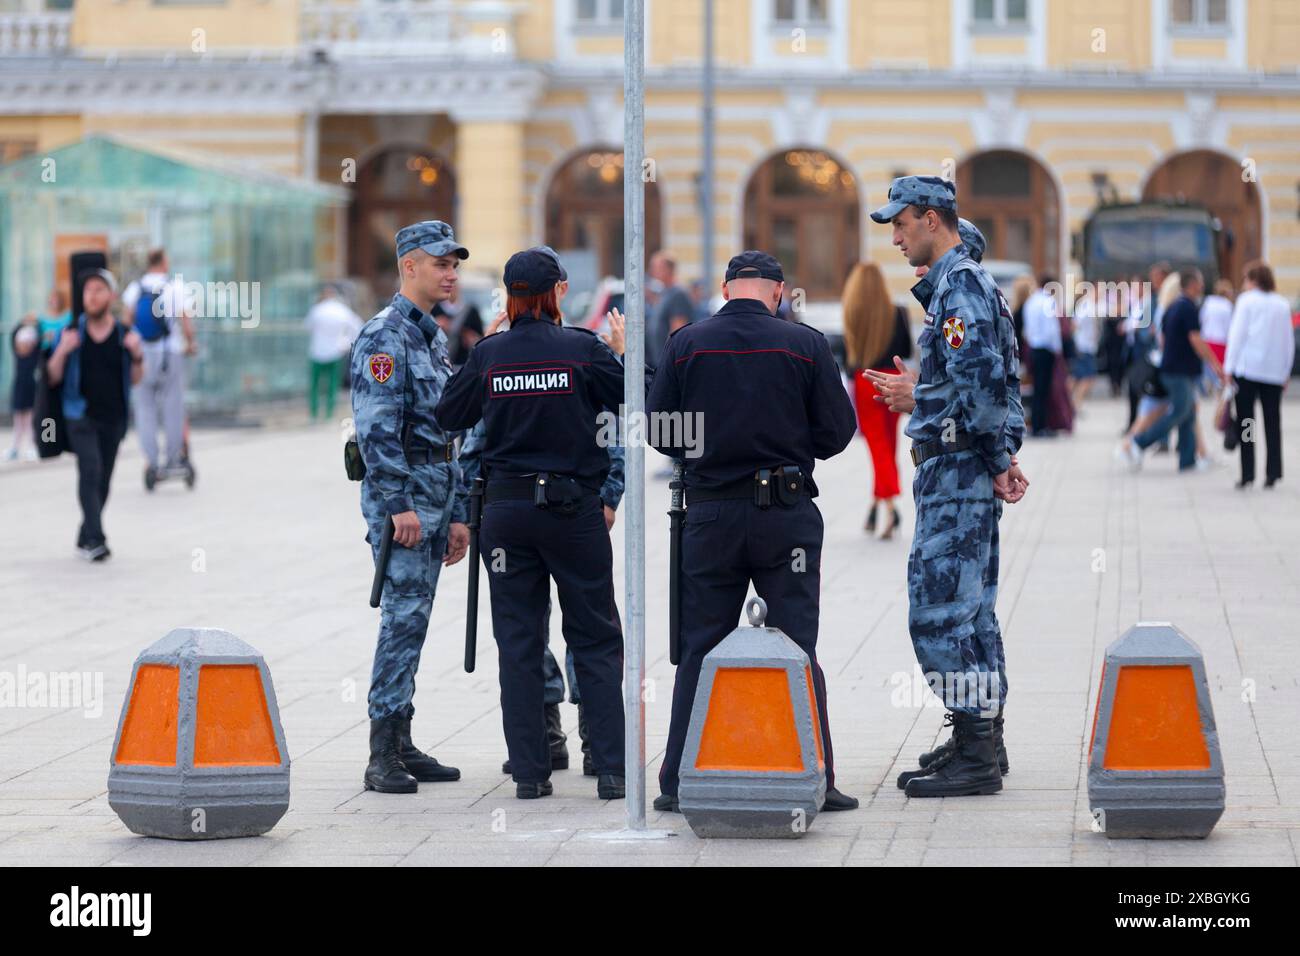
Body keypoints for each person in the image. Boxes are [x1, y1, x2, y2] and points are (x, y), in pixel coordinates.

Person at [646, 249, 859, 814]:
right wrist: (788, 446)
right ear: (779, 290)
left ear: (724, 287)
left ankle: (676, 780)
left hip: (710, 515)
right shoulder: (806, 343)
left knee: (699, 648)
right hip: (784, 515)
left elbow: (661, 429)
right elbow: (838, 431)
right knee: (798, 647)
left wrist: (709, 450)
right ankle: (819, 775)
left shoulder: (687, 343)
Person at [436, 248, 632, 801]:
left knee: (519, 642)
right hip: (574, 513)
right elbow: (634, 402)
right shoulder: (583, 350)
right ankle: (613, 770)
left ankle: (529, 773)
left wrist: (483, 349)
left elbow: (449, 415)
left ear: (510, 297)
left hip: (507, 515)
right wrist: (622, 353)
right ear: (557, 294)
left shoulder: (491, 355)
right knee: (594, 636)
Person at [869, 176, 1027, 798]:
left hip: (957, 470)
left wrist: (920, 397)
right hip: (965, 466)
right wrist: (998, 455)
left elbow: (983, 389)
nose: (897, 237)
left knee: (939, 615)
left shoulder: (960, 285)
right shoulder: (961, 284)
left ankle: (976, 753)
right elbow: (989, 385)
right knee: (974, 616)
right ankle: (981, 738)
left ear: (932, 219)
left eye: (901, 224)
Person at [350, 220, 471, 794]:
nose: (450, 274)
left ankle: (402, 739)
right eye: (441, 263)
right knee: (401, 619)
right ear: (409, 267)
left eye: (454, 265)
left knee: (415, 619)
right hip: (404, 500)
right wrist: (398, 502)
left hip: (436, 492)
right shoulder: (385, 336)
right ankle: (381, 752)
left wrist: (458, 512)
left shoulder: (431, 337)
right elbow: (375, 431)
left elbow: (452, 428)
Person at [45, 269, 144, 561]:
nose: (92, 295)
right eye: (88, 290)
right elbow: (51, 377)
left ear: (111, 296)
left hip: (113, 418)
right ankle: (96, 540)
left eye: (99, 289)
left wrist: (137, 355)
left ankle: (85, 531)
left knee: (103, 481)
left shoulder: (124, 335)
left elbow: (137, 379)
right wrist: (62, 351)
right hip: (79, 415)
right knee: (90, 470)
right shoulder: (71, 333)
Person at [1118, 268, 1226, 472]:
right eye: (1200, 282)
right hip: (1178, 371)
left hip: (1173, 369)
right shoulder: (1187, 308)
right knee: (1180, 411)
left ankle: (1188, 460)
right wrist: (1215, 363)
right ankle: (1139, 442)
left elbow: (1163, 338)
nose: (1202, 286)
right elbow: (1196, 339)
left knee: (1188, 414)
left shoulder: (1172, 307)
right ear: (1192, 284)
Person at [842, 262, 912, 538]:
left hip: (866, 379)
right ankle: (876, 505)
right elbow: (906, 349)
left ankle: (891, 505)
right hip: (893, 378)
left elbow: (848, 358)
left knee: (877, 446)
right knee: (889, 444)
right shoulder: (898, 312)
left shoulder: (854, 312)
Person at [121, 248, 196, 483]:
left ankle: (151, 461)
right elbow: (185, 320)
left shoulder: (135, 288)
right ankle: (173, 458)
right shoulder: (175, 287)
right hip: (169, 353)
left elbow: (126, 321)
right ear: (163, 263)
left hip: (141, 354)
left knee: (145, 409)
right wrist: (191, 343)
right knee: (173, 407)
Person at [1225, 261, 1294, 489]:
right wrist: (1285, 371)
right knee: (1272, 422)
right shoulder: (1282, 305)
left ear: (1253, 280)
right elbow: (1288, 342)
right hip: (1273, 371)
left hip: (1248, 369)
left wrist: (1228, 368)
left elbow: (1236, 337)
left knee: (1247, 422)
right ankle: (1273, 472)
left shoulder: (1246, 302)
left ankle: (1248, 473)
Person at [304, 284, 362, 421]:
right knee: (332, 385)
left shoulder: (317, 309)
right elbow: (358, 327)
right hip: (335, 352)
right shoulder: (342, 311)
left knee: (315, 385)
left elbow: (307, 326)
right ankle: (328, 413)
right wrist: (347, 342)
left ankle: (314, 413)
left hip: (317, 352)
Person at [1022, 275, 1062, 437]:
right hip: (1045, 349)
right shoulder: (1048, 302)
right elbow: (1051, 329)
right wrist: (1057, 349)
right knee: (1044, 390)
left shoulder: (1031, 302)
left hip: (1034, 348)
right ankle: (1041, 426)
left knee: (1037, 389)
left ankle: (1037, 424)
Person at [646, 251, 694, 367]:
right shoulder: (664, 292)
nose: (651, 271)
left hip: (668, 364)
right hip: (658, 362)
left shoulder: (678, 293)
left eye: (655, 267)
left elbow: (677, 332)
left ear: (668, 269)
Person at [6, 313, 40, 461]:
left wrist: (35, 324)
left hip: (30, 390)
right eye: (21, 342)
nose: (23, 345)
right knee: (18, 422)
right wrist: (23, 322)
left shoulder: (34, 356)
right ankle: (14, 448)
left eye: (27, 342)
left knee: (30, 422)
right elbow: (13, 335)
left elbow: (39, 342)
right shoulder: (17, 355)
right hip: (19, 389)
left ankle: (32, 447)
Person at [433, 284, 485, 369]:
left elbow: (480, 339)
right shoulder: (435, 309)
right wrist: (436, 325)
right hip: (439, 364)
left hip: (463, 364)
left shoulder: (471, 311)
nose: (452, 290)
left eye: (455, 286)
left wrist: (472, 339)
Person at [1199, 278, 1234, 394]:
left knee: (1209, 368)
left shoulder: (1208, 303)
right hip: (1221, 342)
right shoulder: (1227, 306)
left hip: (1207, 340)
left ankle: (1208, 385)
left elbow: (1202, 320)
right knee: (1221, 375)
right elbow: (1230, 326)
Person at [1070, 284, 1100, 410]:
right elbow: (1075, 324)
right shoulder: (1087, 305)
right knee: (1087, 378)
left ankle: (1073, 405)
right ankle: (1074, 405)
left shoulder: (1090, 304)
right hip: (1083, 346)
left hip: (1087, 346)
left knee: (1078, 377)